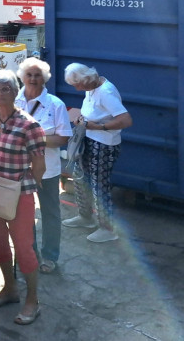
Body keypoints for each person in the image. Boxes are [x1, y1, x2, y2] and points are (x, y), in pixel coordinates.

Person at [0, 69, 46, 326]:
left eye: (5, 88)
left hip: (19, 192)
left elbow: (38, 163)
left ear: (14, 91)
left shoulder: (29, 125)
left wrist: (33, 184)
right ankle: (10, 289)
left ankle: (33, 300)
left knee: (24, 248)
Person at [63, 63, 132, 242]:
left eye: (77, 84)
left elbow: (125, 120)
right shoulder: (92, 86)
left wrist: (100, 127)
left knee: (99, 186)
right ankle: (85, 217)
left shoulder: (106, 92)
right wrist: (82, 119)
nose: (77, 89)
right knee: (80, 177)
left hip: (104, 144)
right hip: (90, 140)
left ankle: (108, 229)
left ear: (85, 79)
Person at [15, 58, 71, 272]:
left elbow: (63, 138)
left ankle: (50, 256)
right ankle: (30, 255)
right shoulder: (14, 101)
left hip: (48, 170)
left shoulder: (55, 104)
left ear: (45, 78)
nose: (33, 79)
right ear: (22, 77)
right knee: (24, 214)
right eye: (29, 74)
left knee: (50, 213)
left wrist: (34, 139)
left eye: (38, 75)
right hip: (19, 169)